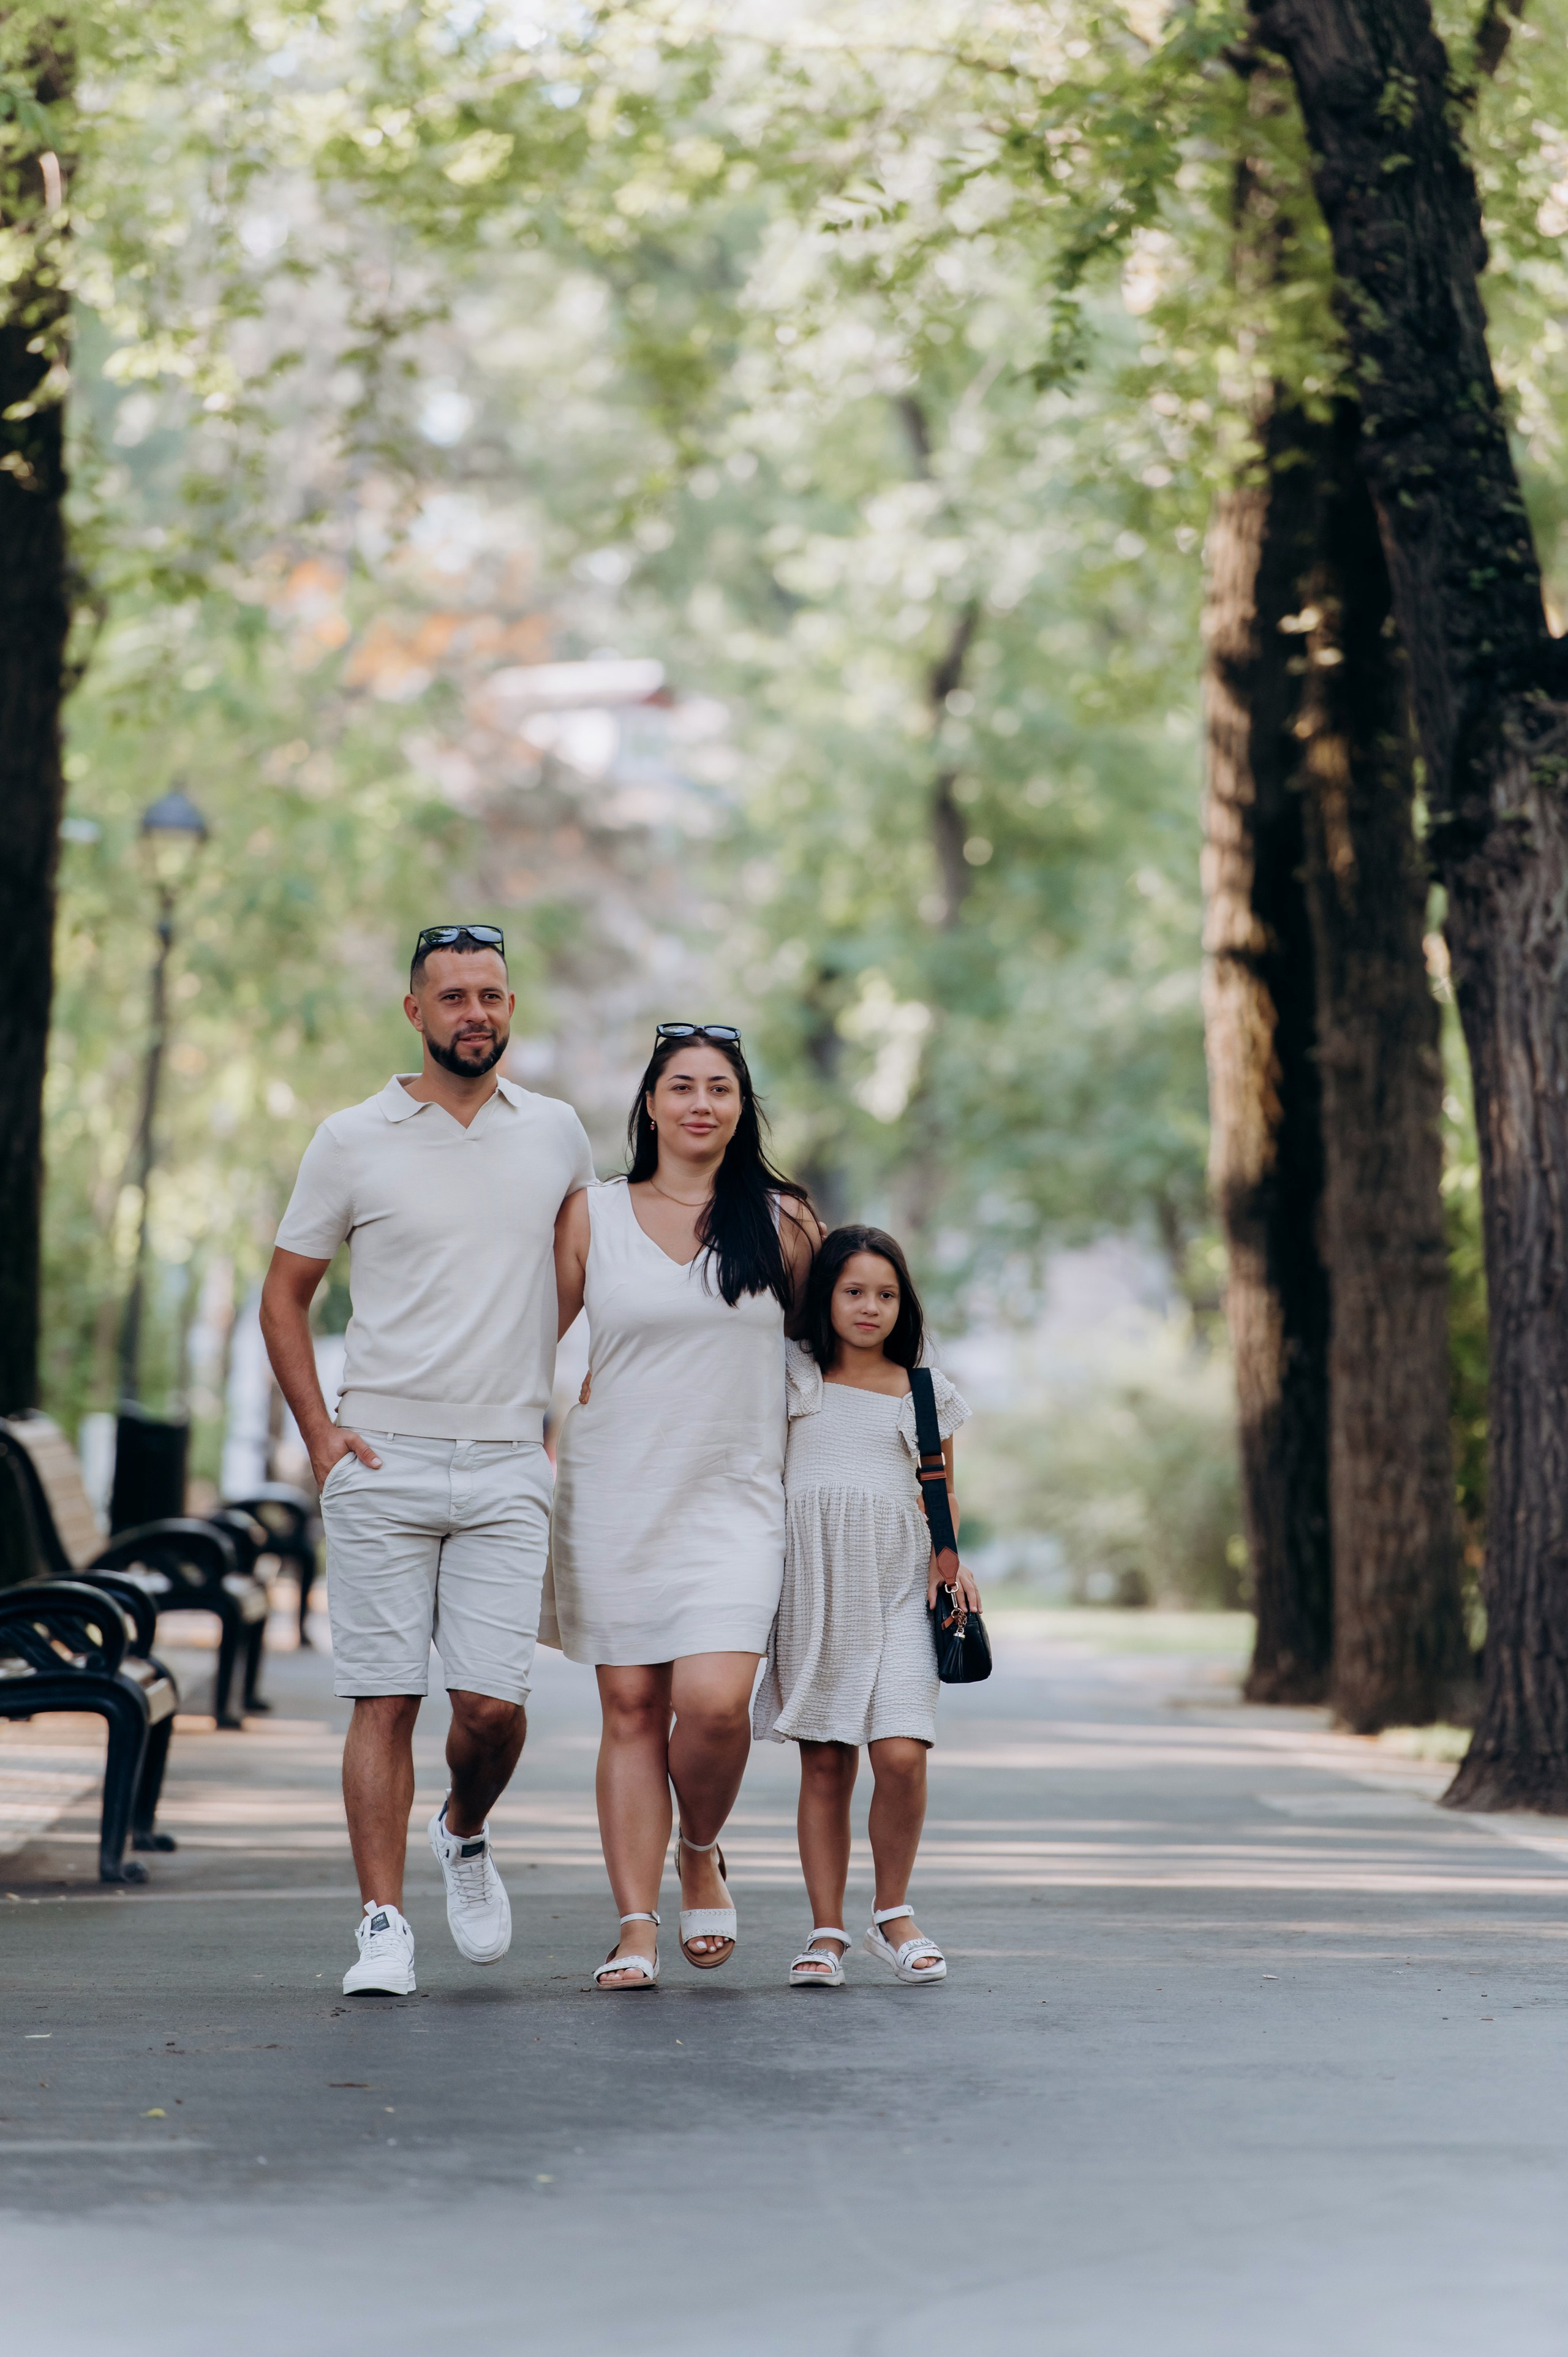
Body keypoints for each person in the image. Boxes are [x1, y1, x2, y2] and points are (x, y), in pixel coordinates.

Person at [261, 925, 594, 1997]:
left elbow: (575, 1271)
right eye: (452, 995)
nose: (476, 1013)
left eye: (492, 994)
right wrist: (321, 1432)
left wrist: (529, 1379)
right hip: (380, 1453)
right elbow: (285, 1292)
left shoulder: (557, 1133)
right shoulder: (351, 1137)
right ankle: (382, 1923)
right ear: (415, 1011)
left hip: (506, 1458)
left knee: (491, 1709)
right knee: (384, 1699)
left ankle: (463, 1827)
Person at [547, 1024, 820, 1989]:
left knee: (712, 1704)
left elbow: (833, 1352)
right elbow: (527, 1337)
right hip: (617, 1486)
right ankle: (633, 1924)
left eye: (721, 1088)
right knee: (630, 1707)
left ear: (741, 1108)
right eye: (681, 1086)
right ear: (650, 1103)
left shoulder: (783, 1220)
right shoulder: (593, 1213)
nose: (701, 1102)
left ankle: (699, 1844)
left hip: (737, 1495)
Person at [752, 1224, 980, 1988]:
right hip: (815, 1592)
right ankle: (825, 1932)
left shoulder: (924, 1390)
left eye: (886, 1294)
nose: (870, 1306)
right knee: (825, 1763)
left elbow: (940, 1493)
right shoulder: (793, 1376)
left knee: (902, 1754)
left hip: (898, 1591)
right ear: (827, 1296)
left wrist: (952, 1566)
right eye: (854, 1291)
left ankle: (892, 1913)